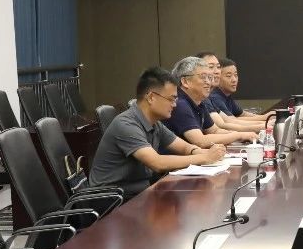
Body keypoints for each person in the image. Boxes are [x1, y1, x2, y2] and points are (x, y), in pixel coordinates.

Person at [89, 68, 227, 198]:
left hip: (137, 192)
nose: (174, 104)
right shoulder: (126, 124)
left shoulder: (155, 123)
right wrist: (205, 157)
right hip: (112, 199)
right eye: (171, 99)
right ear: (151, 97)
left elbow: (184, 147)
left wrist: (204, 152)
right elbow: (157, 163)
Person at [168, 56, 260, 146]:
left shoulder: (199, 102)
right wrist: (238, 135)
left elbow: (214, 130)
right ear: (185, 82)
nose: (209, 82)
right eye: (203, 77)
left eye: (209, 77)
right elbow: (200, 141)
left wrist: (244, 135)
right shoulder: (180, 104)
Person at [207, 57, 274, 129]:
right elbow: (231, 121)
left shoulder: (226, 95)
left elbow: (242, 114)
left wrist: (266, 118)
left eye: (235, 75)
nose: (234, 80)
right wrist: (265, 119)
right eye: (229, 76)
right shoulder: (214, 97)